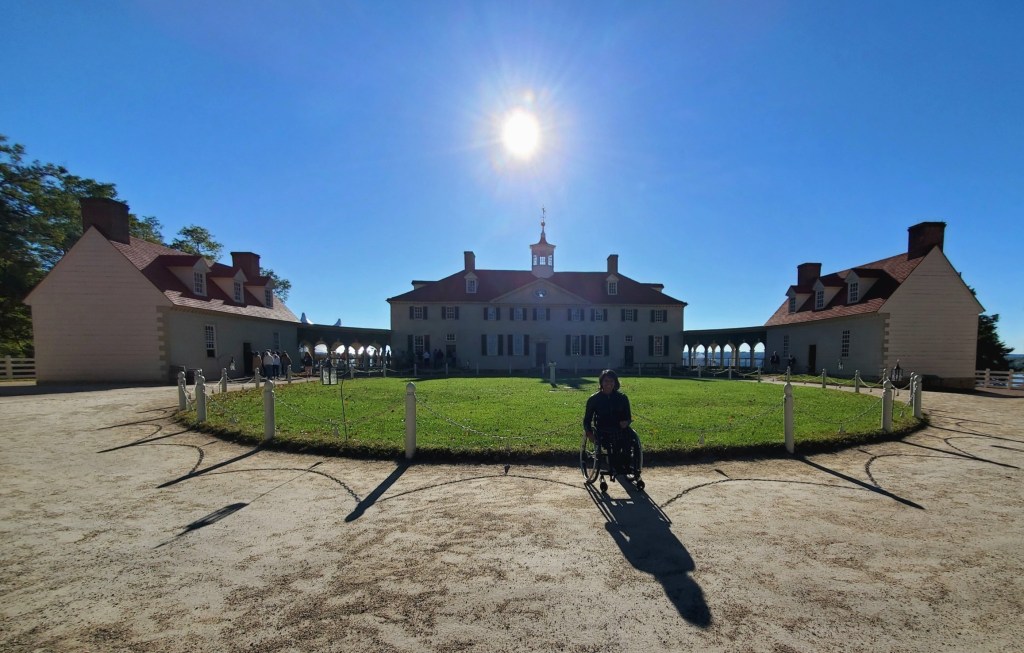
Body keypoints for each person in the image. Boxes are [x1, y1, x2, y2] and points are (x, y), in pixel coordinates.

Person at [582, 369, 634, 475]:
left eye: (611, 381)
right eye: (606, 381)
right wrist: (589, 433)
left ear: (615, 382)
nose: (608, 384)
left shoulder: (622, 398)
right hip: (602, 429)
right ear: (601, 382)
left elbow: (628, 417)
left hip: (619, 428)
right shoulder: (594, 399)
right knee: (613, 442)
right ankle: (617, 465)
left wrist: (626, 422)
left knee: (628, 438)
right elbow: (587, 419)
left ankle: (626, 465)